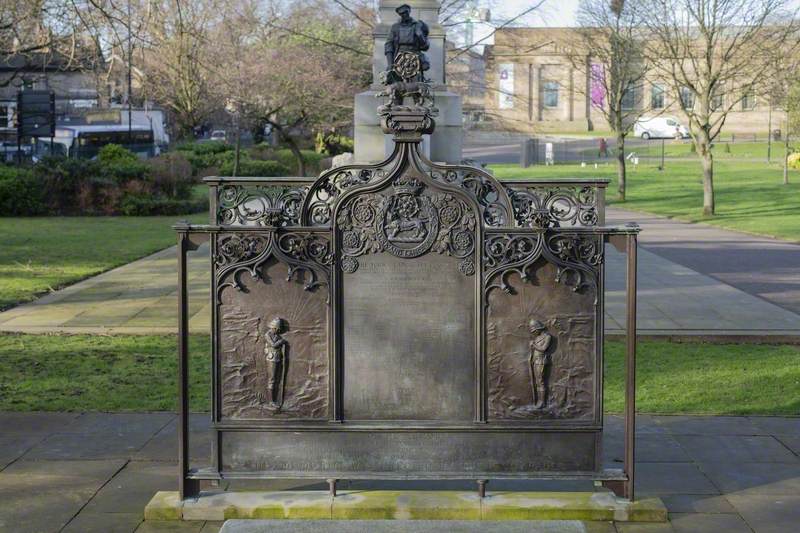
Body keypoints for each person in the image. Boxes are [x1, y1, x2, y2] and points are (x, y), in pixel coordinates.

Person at [384, 4, 430, 82]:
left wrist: (420, 35)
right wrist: (390, 63)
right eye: (401, 14)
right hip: (399, 56)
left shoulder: (419, 25)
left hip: (415, 55)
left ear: (409, 11)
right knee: (398, 82)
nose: (404, 15)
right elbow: (389, 44)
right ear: (399, 14)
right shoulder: (395, 27)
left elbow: (425, 46)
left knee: (416, 82)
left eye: (406, 12)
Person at [263, 317, 288, 408]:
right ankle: (271, 401)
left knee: (276, 379)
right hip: (271, 358)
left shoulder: (277, 336)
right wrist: (281, 341)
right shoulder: (267, 335)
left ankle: (274, 400)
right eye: (278, 329)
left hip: (277, 358)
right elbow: (273, 345)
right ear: (274, 327)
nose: (279, 330)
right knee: (272, 379)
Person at [528, 319, 553, 409]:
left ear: (538, 329)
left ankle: (543, 402)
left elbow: (543, 348)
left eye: (535, 331)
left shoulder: (547, 337)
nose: (534, 333)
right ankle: (539, 401)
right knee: (538, 382)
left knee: (541, 382)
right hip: (536, 361)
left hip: (542, 361)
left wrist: (533, 345)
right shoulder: (537, 338)